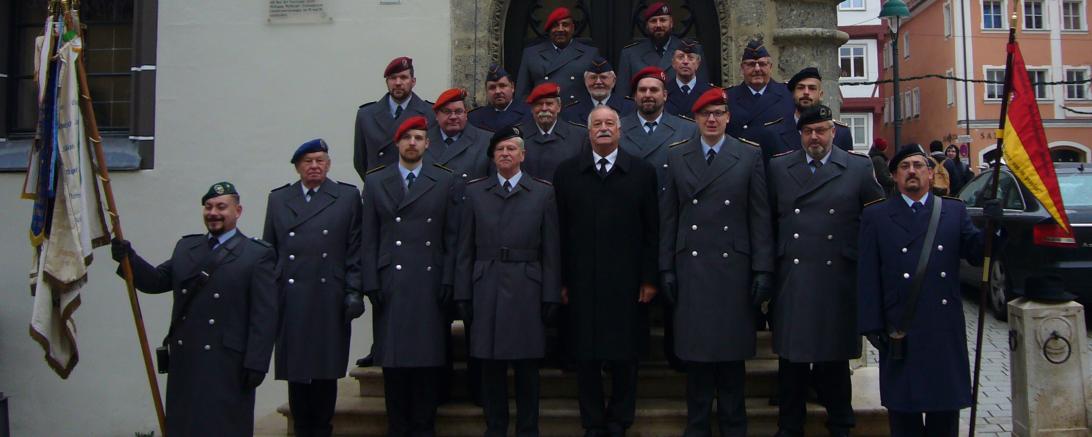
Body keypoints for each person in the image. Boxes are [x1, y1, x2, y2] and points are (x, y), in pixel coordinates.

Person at [109, 182, 278, 437]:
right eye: (208, 207)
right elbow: (156, 281)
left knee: (224, 427)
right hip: (187, 360)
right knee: (186, 426)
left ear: (238, 211)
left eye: (222, 207)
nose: (213, 213)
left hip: (228, 363)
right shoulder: (186, 248)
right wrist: (128, 257)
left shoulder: (256, 255)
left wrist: (257, 363)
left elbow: (264, 315)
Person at [858, 144, 1003, 437]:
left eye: (918, 165)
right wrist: (872, 326)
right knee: (904, 419)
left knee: (944, 418)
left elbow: (976, 254)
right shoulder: (877, 216)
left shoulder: (953, 211)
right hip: (900, 331)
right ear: (895, 176)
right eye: (904, 167)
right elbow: (868, 275)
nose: (912, 171)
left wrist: (994, 226)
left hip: (942, 331)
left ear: (929, 173)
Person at [659, 87, 773, 437]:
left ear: (728, 117)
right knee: (696, 357)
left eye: (718, 113)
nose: (712, 119)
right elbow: (670, 217)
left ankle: (733, 426)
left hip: (733, 269)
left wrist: (763, 268)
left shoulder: (749, 155)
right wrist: (665, 266)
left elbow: (759, 216)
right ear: (695, 119)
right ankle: (697, 427)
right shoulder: (677, 155)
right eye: (705, 114)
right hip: (691, 267)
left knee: (731, 358)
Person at [766, 105, 885, 437]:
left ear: (833, 132)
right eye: (808, 131)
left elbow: (875, 222)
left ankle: (841, 424)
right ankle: (789, 426)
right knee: (792, 359)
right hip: (793, 274)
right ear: (800, 135)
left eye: (821, 130)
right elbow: (766, 222)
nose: (815, 137)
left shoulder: (858, 168)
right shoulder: (779, 167)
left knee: (834, 360)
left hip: (838, 276)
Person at [553, 105, 660, 437]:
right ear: (588, 132)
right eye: (596, 124)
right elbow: (558, 232)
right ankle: (593, 420)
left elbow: (651, 231)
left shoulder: (642, 172)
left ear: (619, 130)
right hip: (582, 280)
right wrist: (562, 280)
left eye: (609, 123)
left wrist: (648, 278)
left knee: (625, 356)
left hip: (627, 282)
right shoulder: (567, 173)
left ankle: (619, 418)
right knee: (585, 355)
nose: (603, 128)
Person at [455, 125, 562, 437]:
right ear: (492, 156)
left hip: (527, 285)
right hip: (486, 284)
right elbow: (464, 248)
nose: (505, 154)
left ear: (523, 155)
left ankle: (528, 427)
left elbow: (551, 250)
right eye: (499, 150)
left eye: (511, 149)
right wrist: (463, 291)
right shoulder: (475, 192)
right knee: (491, 366)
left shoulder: (543, 192)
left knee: (528, 367)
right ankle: (496, 426)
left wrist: (551, 294)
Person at [362, 116, 461, 437]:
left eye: (419, 137)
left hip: (429, 282)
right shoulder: (377, 181)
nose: (413, 143)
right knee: (394, 364)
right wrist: (371, 281)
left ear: (428, 143)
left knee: (427, 363)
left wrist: (449, 279)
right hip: (392, 281)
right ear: (397, 143)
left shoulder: (443, 180)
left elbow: (451, 236)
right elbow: (369, 237)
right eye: (407, 138)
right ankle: (398, 427)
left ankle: (423, 426)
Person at [263, 139, 364, 437]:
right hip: (291, 297)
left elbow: (354, 250)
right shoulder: (280, 199)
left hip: (328, 296)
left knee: (324, 372)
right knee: (297, 373)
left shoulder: (345, 197)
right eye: (308, 161)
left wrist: (353, 291)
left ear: (329, 164)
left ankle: (322, 428)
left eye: (320, 160)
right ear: (297, 167)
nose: (315, 166)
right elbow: (271, 251)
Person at [354, 56, 436, 183]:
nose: (398, 83)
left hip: (418, 190)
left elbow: (434, 157)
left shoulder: (431, 113)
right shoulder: (366, 115)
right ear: (387, 82)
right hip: (380, 191)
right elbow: (360, 161)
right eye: (393, 78)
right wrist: (375, 186)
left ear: (413, 81)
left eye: (403, 77)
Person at [621, 66, 698, 190]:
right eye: (642, 90)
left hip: (669, 205)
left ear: (665, 95)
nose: (647, 95)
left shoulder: (688, 130)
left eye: (654, 90)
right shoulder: (618, 129)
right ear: (635, 96)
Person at [616, 2, 708, 98]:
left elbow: (703, 92)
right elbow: (622, 97)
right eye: (653, 21)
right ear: (647, 25)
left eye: (663, 20)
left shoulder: (692, 50)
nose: (658, 25)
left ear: (671, 23)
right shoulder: (630, 54)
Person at [515, 6, 600, 103]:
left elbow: (599, 91)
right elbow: (521, 94)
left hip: (578, 115)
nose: (560, 29)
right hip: (543, 112)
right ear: (549, 29)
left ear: (573, 28)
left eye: (565, 25)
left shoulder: (590, 53)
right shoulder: (531, 54)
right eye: (555, 25)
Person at [726, 40, 796, 141]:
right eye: (751, 64)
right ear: (742, 68)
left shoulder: (788, 94)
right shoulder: (728, 97)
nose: (757, 69)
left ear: (770, 67)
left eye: (762, 64)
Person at [520, 82, 588, 180]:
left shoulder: (580, 136)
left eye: (549, 103)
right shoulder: (517, 136)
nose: (544, 108)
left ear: (559, 107)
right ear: (532, 109)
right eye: (539, 104)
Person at [780, 67, 854, 154]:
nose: (806, 92)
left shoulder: (841, 133)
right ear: (793, 94)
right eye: (801, 88)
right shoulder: (773, 133)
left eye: (812, 88)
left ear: (821, 95)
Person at [426, 88, 491, 181]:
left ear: (466, 113)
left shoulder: (487, 141)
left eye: (458, 111)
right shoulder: (422, 140)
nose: (453, 117)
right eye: (447, 112)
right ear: (436, 115)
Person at [561, 56, 636, 124]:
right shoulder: (571, 112)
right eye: (593, 77)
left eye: (603, 77)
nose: (598, 82)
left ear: (614, 81)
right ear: (585, 81)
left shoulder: (630, 108)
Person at [468, 64, 533, 132]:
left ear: (512, 87)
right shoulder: (475, 117)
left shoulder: (529, 113)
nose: (498, 91)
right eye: (492, 87)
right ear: (486, 91)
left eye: (502, 86)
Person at [663, 38, 710, 119]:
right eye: (680, 57)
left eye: (690, 58)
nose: (685, 61)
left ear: (698, 64)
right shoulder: (664, 91)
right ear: (673, 63)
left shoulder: (709, 92)